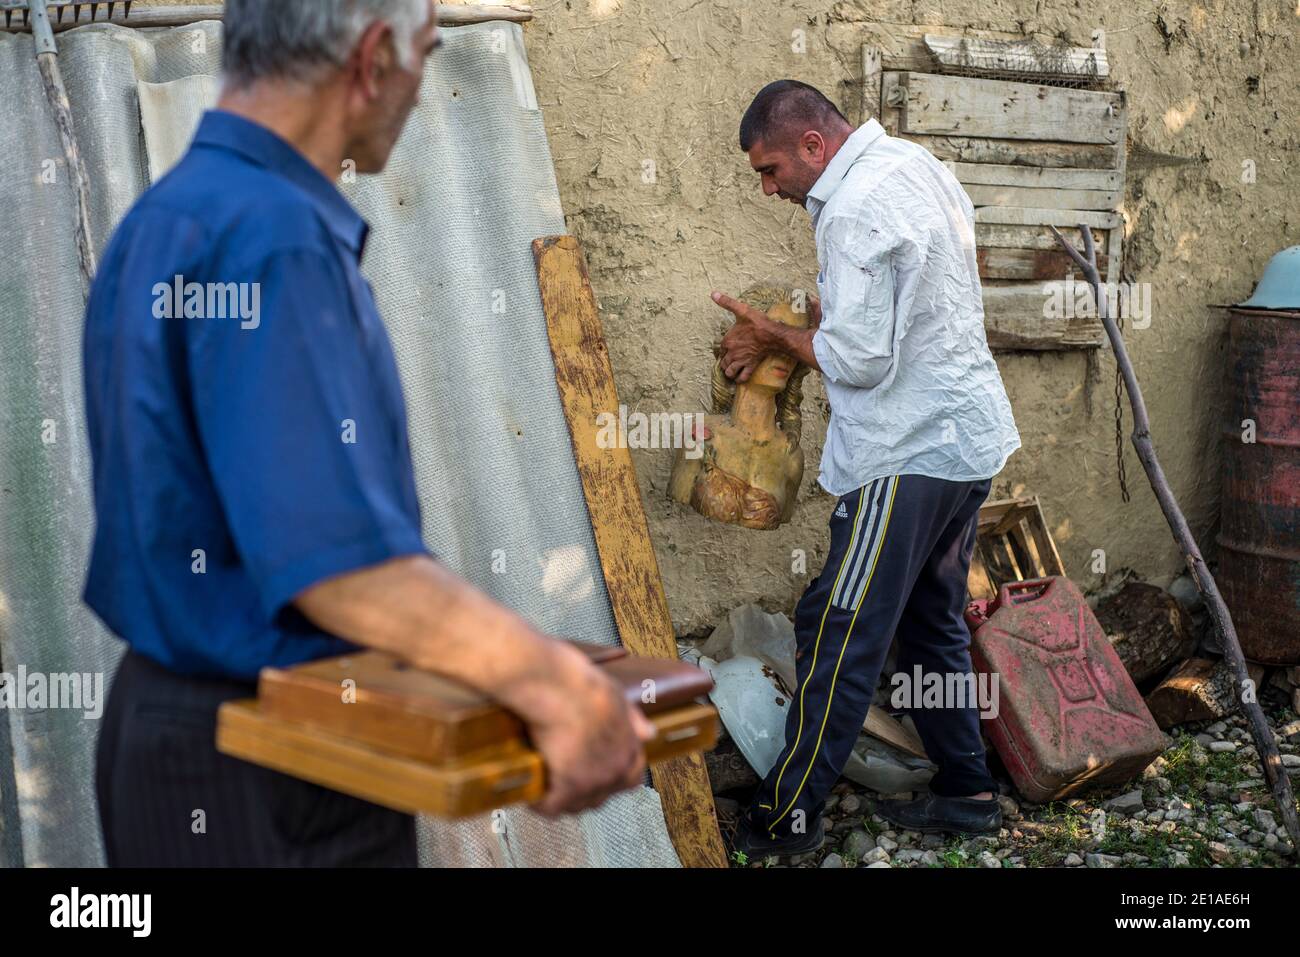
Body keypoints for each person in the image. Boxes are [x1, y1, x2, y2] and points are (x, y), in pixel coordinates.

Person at [84, 0, 651, 867]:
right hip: (272, 762)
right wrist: (553, 685)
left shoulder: (170, 215)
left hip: (176, 736)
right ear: (374, 57)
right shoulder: (275, 241)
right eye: (425, 53)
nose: (421, 89)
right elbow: (340, 569)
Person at [712, 80, 1022, 856]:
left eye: (771, 168)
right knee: (929, 622)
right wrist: (821, 326)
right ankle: (968, 790)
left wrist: (777, 336)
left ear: (813, 146)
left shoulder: (851, 211)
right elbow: (914, 302)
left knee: (838, 628)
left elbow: (860, 357)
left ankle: (787, 819)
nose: (767, 188)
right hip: (964, 440)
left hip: (906, 452)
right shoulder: (917, 165)